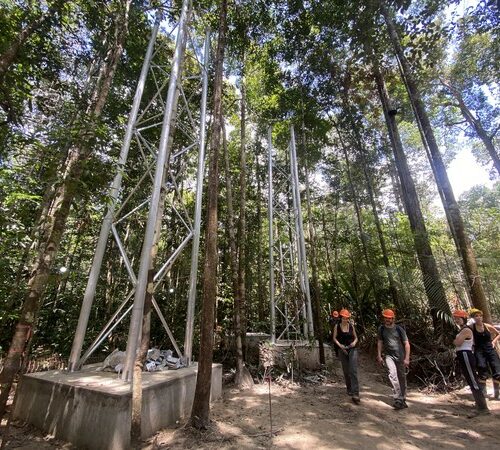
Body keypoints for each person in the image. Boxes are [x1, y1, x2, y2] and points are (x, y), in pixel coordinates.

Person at [452, 310, 489, 414]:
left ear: (463, 319)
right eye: (455, 318)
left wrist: (455, 340)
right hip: (462, 354)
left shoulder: (466, 330)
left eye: (458, 318)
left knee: (472, 379)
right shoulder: (462, 330)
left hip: (465, 354)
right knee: (470, 378)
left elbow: (458, 343)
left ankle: (482, 407)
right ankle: (479, 404)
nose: (456, 320)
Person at [377, 309, 410, 409]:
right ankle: (398, 398)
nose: (387, 319)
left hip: (400, 356)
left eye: (389, 318)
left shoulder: (399, 329)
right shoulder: (381, 329)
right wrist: (379, 355)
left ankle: (402, 399)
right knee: (392, 374)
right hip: (389, 356)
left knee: (401, 377)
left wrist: (407, 358)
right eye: (385, 318)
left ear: (393, 319)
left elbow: (406, 344)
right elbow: (380, 342)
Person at [469, 308, 500, 400]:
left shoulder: (486, 326)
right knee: (482, 369)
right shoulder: (471, 327)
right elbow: (464, 333)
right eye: (476, 316)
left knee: (497, 370)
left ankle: (497, 393)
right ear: (473, 318)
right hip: (479, 350)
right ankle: (483, 394)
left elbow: (498, 333)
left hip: (490, 349)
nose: (478, 318)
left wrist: (494, 341)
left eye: (480, 316)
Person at [333, 309, 360, 404]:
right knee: (346, 371)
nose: (345, 320)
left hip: (352, 349)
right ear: (341, 318)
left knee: (353, 370)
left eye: (347, 318)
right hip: (342, 349)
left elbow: (356, 337)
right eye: (344, 318)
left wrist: (353, 343)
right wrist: (340, 346)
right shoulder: (337, 326)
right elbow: (334, 338)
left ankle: (355, 393)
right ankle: (349, 388)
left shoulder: (351, 326)